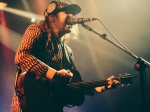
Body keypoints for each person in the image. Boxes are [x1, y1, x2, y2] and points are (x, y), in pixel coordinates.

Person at [10, 0, 119, 112]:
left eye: (73, 13)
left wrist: (101, 87)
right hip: (28, 105)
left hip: (53, 108)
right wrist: (54, 74)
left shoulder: (67, 51)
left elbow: (74, 84)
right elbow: (22, 56)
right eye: (67, 12)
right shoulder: (37, 30)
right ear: (53, 16)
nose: (71, 16)